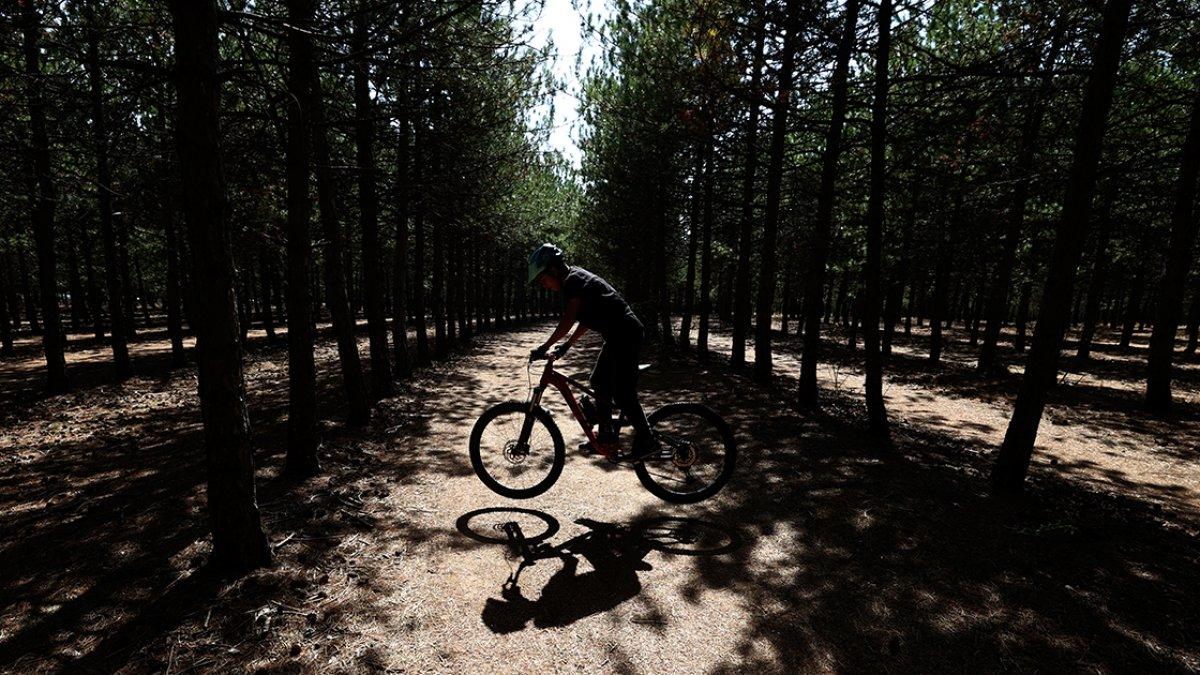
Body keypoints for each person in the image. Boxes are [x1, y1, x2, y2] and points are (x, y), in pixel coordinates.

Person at [526, 243, 660, 460]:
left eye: (543, 279)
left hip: (626, 333)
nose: (544, 284)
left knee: (623, 393)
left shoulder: (573, 281)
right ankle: (606, 435)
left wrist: (545, 346)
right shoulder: (574, 281)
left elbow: (568, 320)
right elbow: (585, 320)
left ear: (553, 269)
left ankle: (648, 441)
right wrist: (567, 345)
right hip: (618, 336)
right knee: (598, 380)